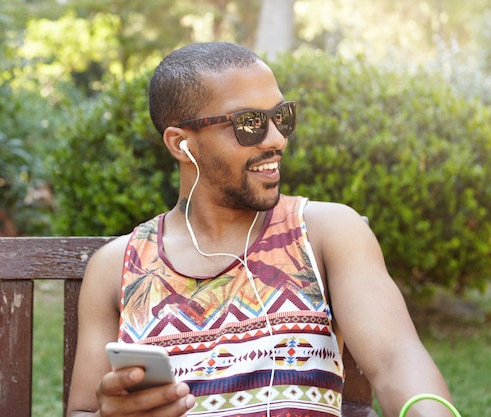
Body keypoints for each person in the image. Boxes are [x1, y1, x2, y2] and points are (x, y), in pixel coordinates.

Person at [66, 42, 454, 417]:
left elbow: (395, 358)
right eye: (249, 123)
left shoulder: (324, 233)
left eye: (281, 116)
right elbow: (82, 410)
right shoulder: (118, 266)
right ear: (181, 145)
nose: (277, 139)